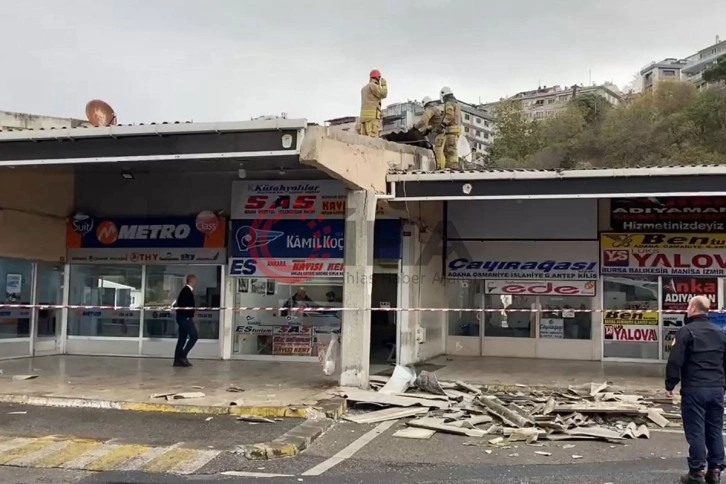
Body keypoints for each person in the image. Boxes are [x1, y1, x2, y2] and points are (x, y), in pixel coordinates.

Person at [666, 295, 726, 484]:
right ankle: (715, 470)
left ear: (692, 308)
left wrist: (670, 384)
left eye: (687, 306)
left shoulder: (686, 332)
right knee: (715, 429)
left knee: (696, 431)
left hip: (695, 389)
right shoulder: (720, 333)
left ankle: (697, 472)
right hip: (716, 388)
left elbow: (675, 360)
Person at [173, 274, 198, 367]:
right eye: (195, 280)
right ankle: (182, 356)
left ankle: (177, 360)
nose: (196, 282)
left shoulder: (186, 291)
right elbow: (186, 305)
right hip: (185, 317)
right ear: (191, 281)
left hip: (182, 317)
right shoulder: (186, 291)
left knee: (182, 339)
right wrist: (189, 315)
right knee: (194, 336)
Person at [415, 96, 445, 169]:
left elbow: (423, 121)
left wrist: (415, 127)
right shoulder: (437, 109)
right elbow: (437, 123)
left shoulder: (429, 109)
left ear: (425, 105)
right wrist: (428, 130)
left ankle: (440, 168)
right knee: (443, 152)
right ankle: (443, 167)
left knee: (438, 151)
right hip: (445, 133)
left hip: (440, 134)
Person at [357, 69, 388, 138]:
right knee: (372, 138)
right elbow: (383, 94)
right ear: (378, 78)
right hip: (372, 117)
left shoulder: (364, 88)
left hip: (363, 118)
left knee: (364, 140)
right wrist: (384, 85)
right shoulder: (373, 86)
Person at [439, 86, 462, 170]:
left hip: (451, 130)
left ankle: (453, 166)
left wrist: (443, 124)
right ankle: (450, 165)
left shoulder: (449, 103)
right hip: (456, 129)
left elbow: (449, 114)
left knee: (451, 150)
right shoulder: (456, 104)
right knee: (449, 149)